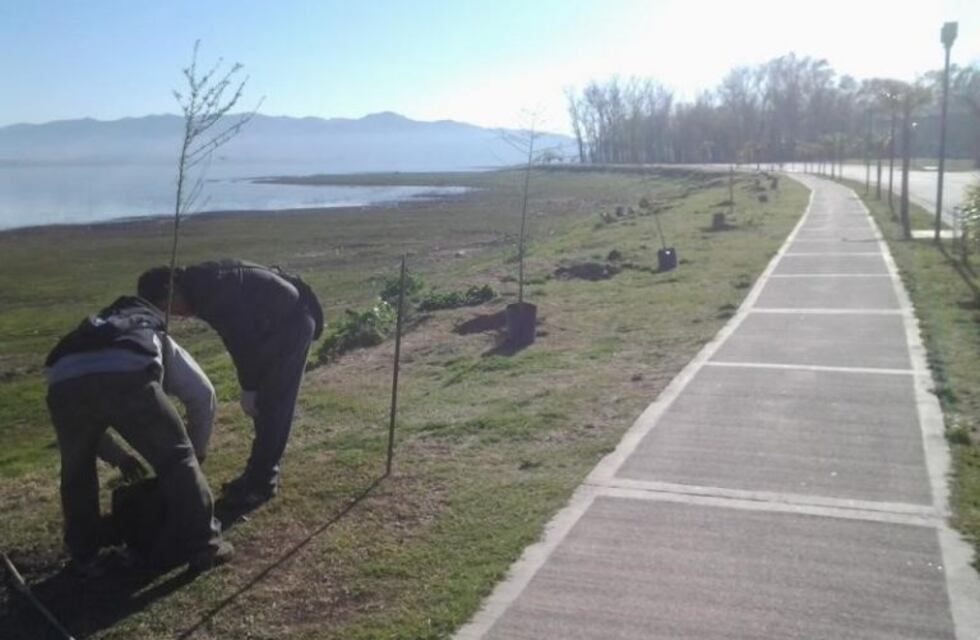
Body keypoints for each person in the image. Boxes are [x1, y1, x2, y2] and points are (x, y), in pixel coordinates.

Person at [45, 295, 231, 576]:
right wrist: (196, 454)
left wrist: (120, 458)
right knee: (176, 458)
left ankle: (85, 553)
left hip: (62, 382)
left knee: (77, 472)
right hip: (128, 375)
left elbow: (83, 435)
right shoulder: (149, 327)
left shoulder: (85, 334)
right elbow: (202, 394)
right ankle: (204, 545)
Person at [138, 260, 322, 508]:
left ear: (171, 288)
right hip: (270, 327)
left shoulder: (212, 291)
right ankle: (255, 475)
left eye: (169, 307)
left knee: (275, 405)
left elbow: (240, 343)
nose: (177, 315)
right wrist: (252, 385)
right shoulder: (198, 284)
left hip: (292, 324)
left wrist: (249, 387)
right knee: (266, 407)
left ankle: (261, 484)